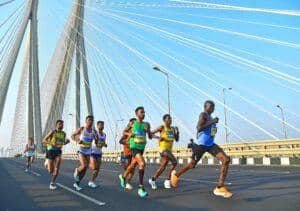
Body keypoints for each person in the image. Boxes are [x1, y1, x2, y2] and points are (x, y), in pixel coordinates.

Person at [171, 100, 232, 198]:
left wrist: (213, 125)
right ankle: (176, 175)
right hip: (201, 145)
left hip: (210, 144)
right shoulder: (203, 115)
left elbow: (211, 131)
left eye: (213, 106)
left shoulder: (211, 117)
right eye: (211, 106)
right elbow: (198, 128)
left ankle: (220, 187)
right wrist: (212, 122)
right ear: (205, 107)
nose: (213, 108)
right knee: (192, 165)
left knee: (226, 160)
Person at [118, 107, 152, 198]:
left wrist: (152, 134)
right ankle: (141, 188)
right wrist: (130, 134)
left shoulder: (146, 124)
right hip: (134, 147)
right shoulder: (132, 123)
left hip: (141, 148)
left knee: (133, 165)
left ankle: (123, 176)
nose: (143, 114)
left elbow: (150, 135)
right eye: (141, 112)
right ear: (137, 114)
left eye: (144, 112)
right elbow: (124, 132)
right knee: (142, 164)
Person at [148, 114, 179, 189]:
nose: (170, 120)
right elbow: (150, 134)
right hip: (163, 149)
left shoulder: (172, 129)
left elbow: (177, 139)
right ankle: (167, 180)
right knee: (174, 162)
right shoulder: (162, 127)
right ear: (164, 120)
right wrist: (159, 137)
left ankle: (153, 179)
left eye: (171, 119)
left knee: (163, 167)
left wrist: (177, 132)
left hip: (169, 150)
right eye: (168, 119)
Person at [72, 115, 98, 191]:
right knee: (84, 165)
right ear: (86, 121)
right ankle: (77, 170)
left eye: (91, 120)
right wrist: (77, 140)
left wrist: (96, 138)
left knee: (85, 169)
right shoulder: (82, 129)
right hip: (81, 151)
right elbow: (72, 136)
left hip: (88, 152)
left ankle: (77, 183)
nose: (90, 121)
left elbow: (96, 142)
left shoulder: (94, 131)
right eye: (89, 120)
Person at [42, 120, 70, 190]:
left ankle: (52, 183)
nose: (61, 125)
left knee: (57, 168)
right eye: (60, 124)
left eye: (62, 124)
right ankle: (47, 162)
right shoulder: (52, 132)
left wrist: (66, 142)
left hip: (58, 151)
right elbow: (44, 140)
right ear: (56, 125)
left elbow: (63, 142)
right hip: (51, 150)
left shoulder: (63, 133)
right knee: (51, 170)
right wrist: (51, 143)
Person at [118, 118, 136, 190]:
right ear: (130, 124)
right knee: (128, 166)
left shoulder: (137, 131)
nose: (134, 124)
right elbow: (120, 141)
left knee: (133, 167)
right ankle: (123, 176)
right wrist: (128, 142)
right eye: (133, 123)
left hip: (135, 151)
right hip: (127, 151)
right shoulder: (127, 132)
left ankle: (128, 182)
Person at [88, 121, 107, 188]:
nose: (102, 126)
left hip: (99, 153)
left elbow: (104, 142)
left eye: (103, 125)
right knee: (94, 167)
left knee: (97, 169)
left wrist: (105, 144)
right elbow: (91, 140)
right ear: (97, 126)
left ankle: (91, 181)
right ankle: (86, 163)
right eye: (100, 125)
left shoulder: (104, 134)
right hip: (92, 152)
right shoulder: (95, 133)